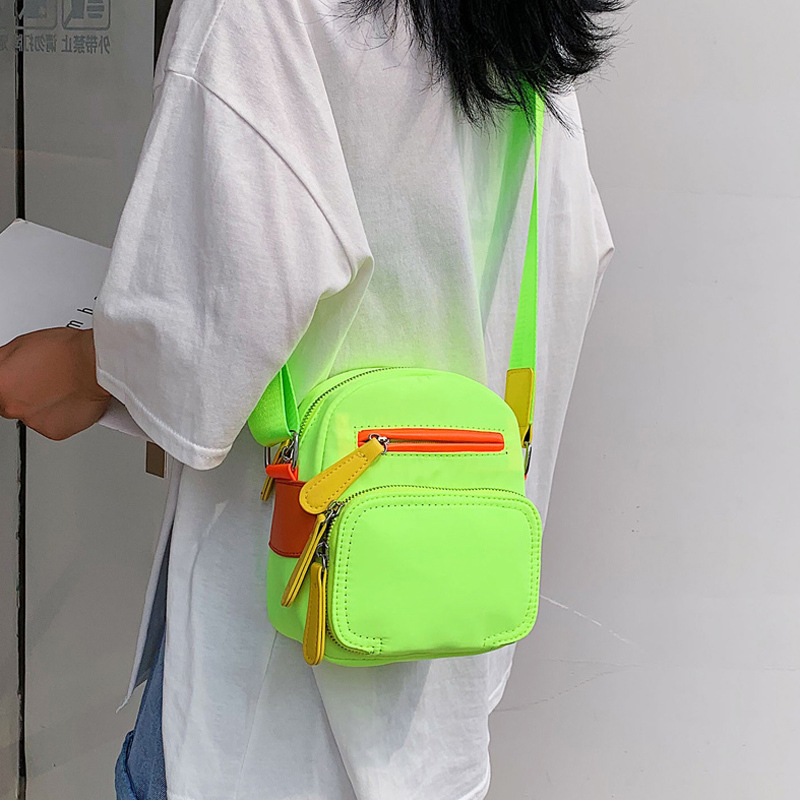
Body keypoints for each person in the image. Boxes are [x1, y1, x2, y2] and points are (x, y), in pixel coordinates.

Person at [0, 0, 617, 797]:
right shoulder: (530, 37)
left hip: (257, 711)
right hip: (440, 702)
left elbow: (213, 320)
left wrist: (81, 365)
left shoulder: (261, 13)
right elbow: (571, 265)